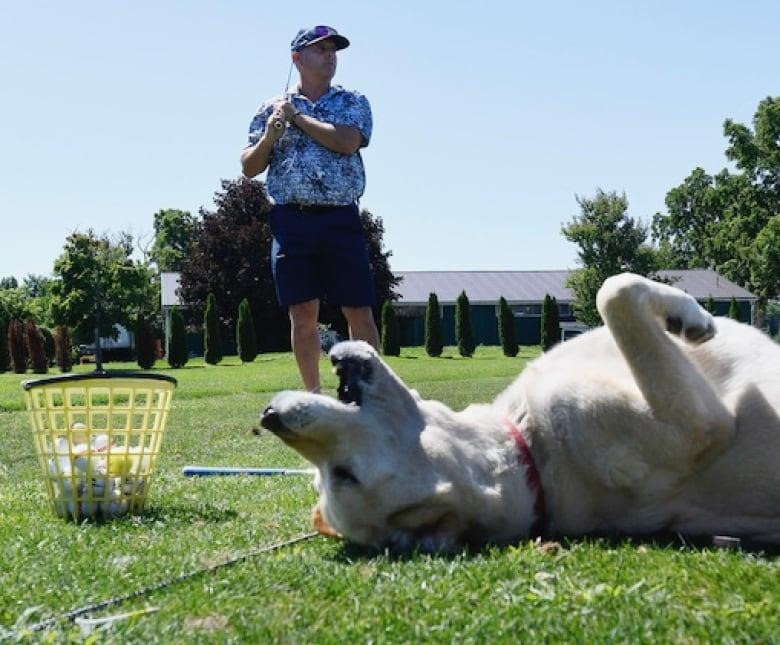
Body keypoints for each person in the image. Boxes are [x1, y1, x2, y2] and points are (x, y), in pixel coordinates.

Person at [241, 25, 380, 393]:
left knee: (358, 310)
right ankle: (314, 397)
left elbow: (347, 142)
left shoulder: (352, 102)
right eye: (320, 49)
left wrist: (298, 119)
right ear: (297, 58)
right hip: (292, 221)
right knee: (302, 314)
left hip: (339, 218)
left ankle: (371, 396)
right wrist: (271, 135)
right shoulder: (269, 109)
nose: (330, 55)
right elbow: (249, 167)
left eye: (333, 49)